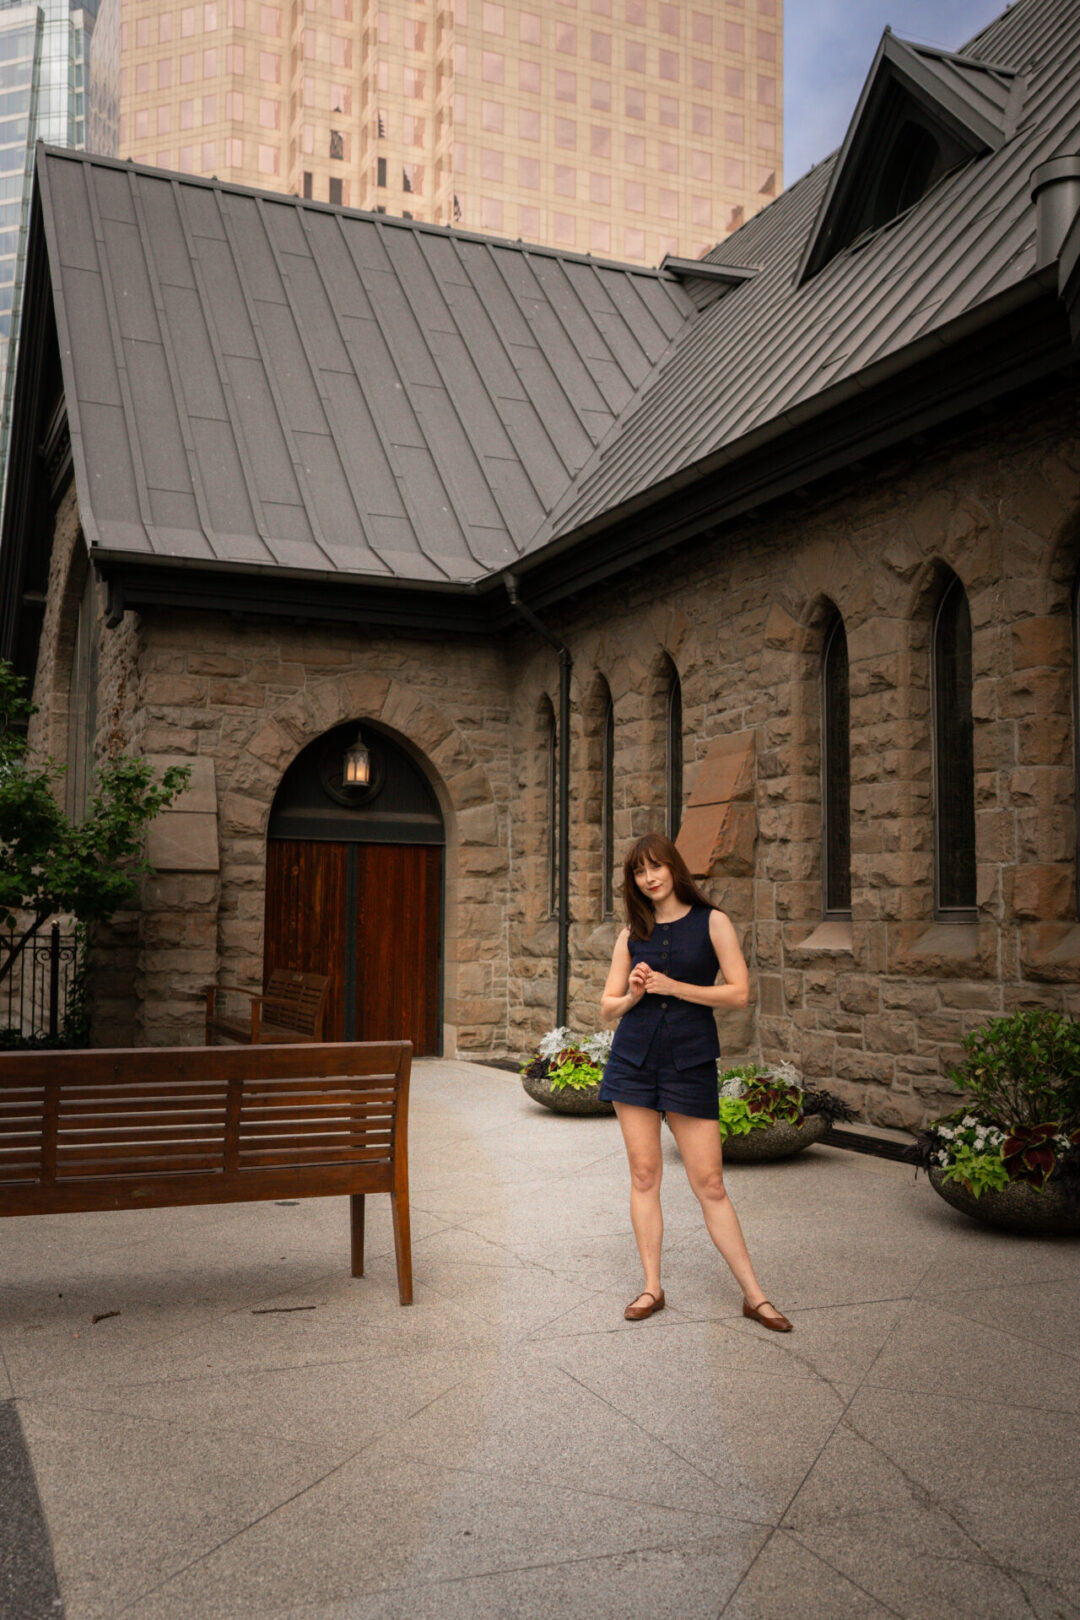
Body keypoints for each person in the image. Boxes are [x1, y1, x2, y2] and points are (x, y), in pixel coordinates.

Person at [599, 832, 792, 1332]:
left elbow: (740, 993)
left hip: (691, 1061)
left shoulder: (714, 922)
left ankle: (755, 1296)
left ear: (674, 868)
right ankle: (651, 1287)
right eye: (639, 872)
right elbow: (607, 1009)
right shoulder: (630, 933)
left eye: (656, 867)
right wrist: (637, 995)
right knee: (644, 1177)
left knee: (710, 1183)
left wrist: (674, 987)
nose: (649, 878)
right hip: (634, 1062)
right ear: (633, 881)